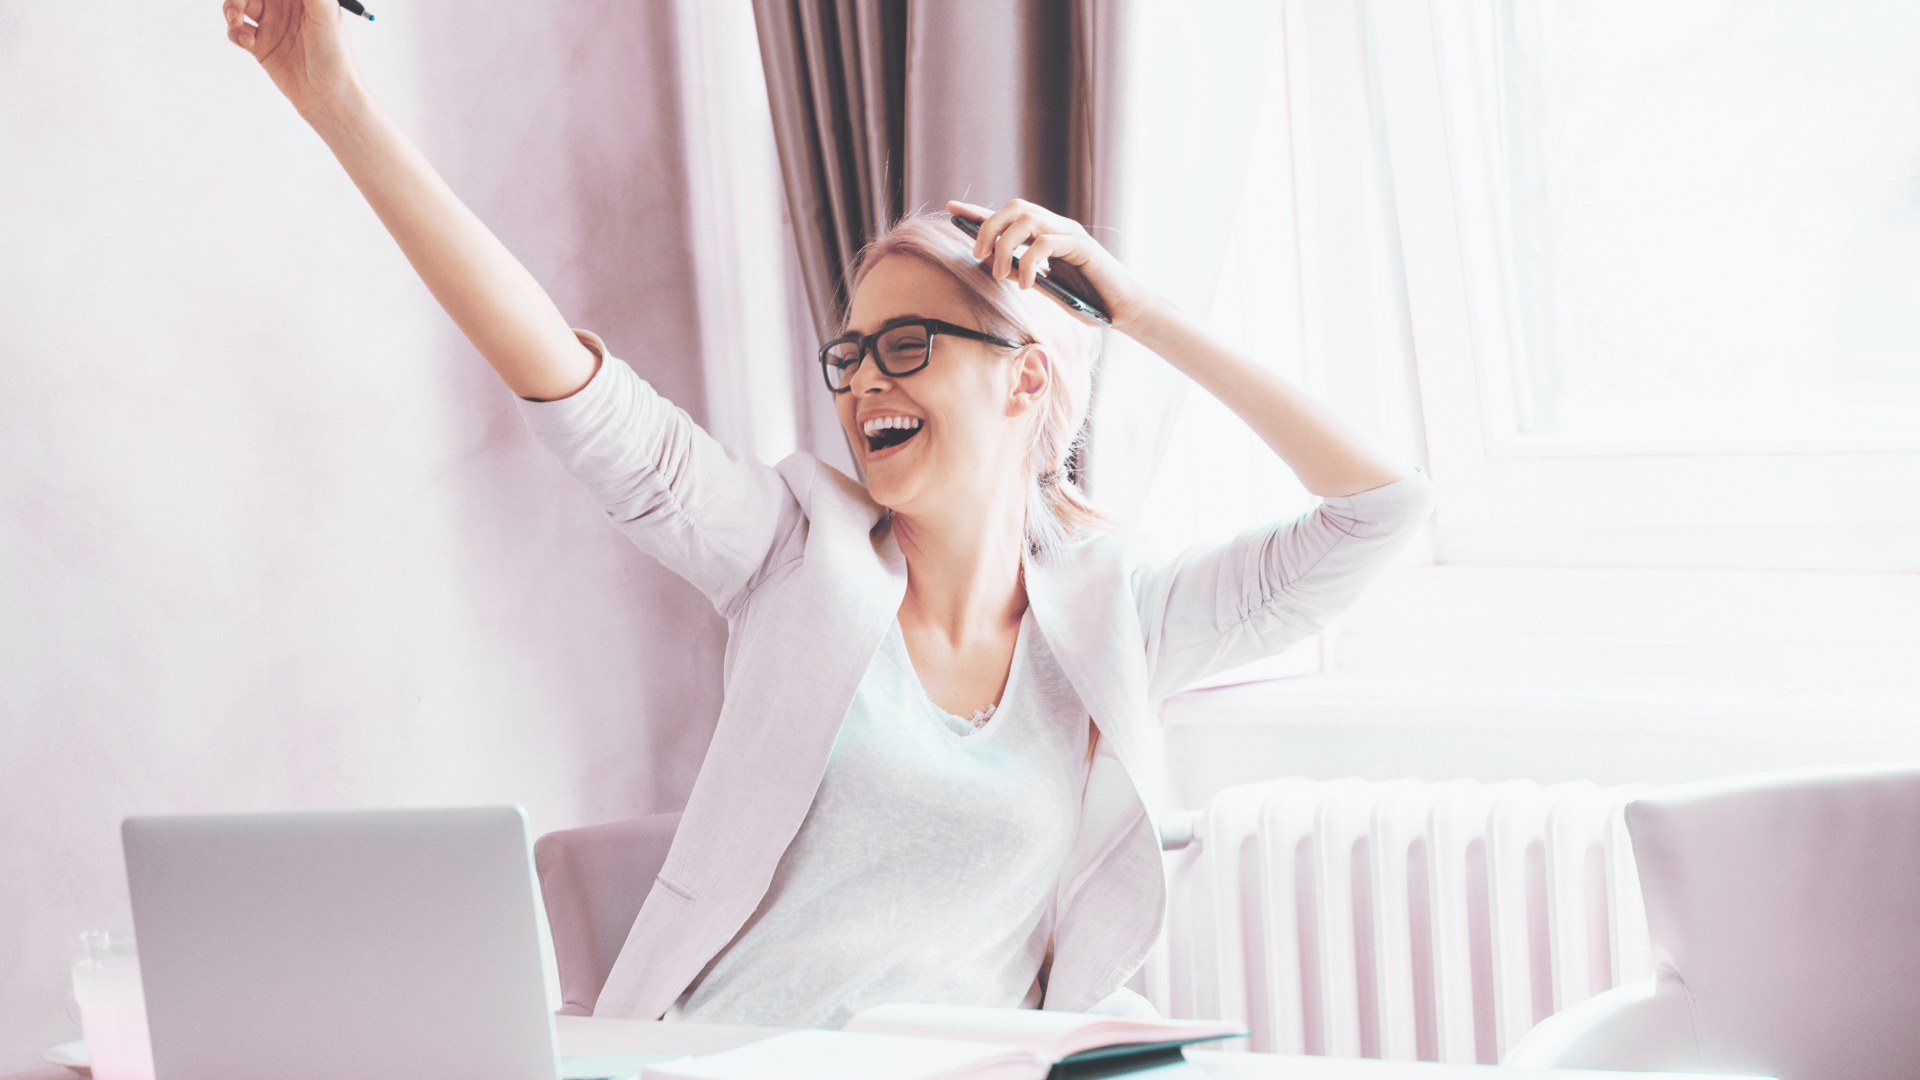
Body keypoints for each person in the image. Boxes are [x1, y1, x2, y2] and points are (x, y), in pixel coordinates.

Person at [223, 0, 1434, 1027]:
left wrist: (1134, 312)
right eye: (848, 355)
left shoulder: (1124, 615)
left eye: (906, 346)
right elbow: (577, 391)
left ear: (1024, 379)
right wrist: (334, 100)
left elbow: (1380, 507)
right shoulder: (794, 551)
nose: (863, 384)